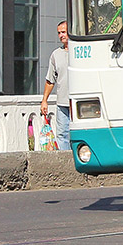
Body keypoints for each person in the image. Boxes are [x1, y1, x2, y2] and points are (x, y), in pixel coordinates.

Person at [40, 20, 70, 151]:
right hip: (62, 103)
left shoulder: (82, 51)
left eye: (63, 32)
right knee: (62, 134)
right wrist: (44, 101)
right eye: (59, 33)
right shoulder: (56, 55)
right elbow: (50, 80)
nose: (61, 35)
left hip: (80, 102)